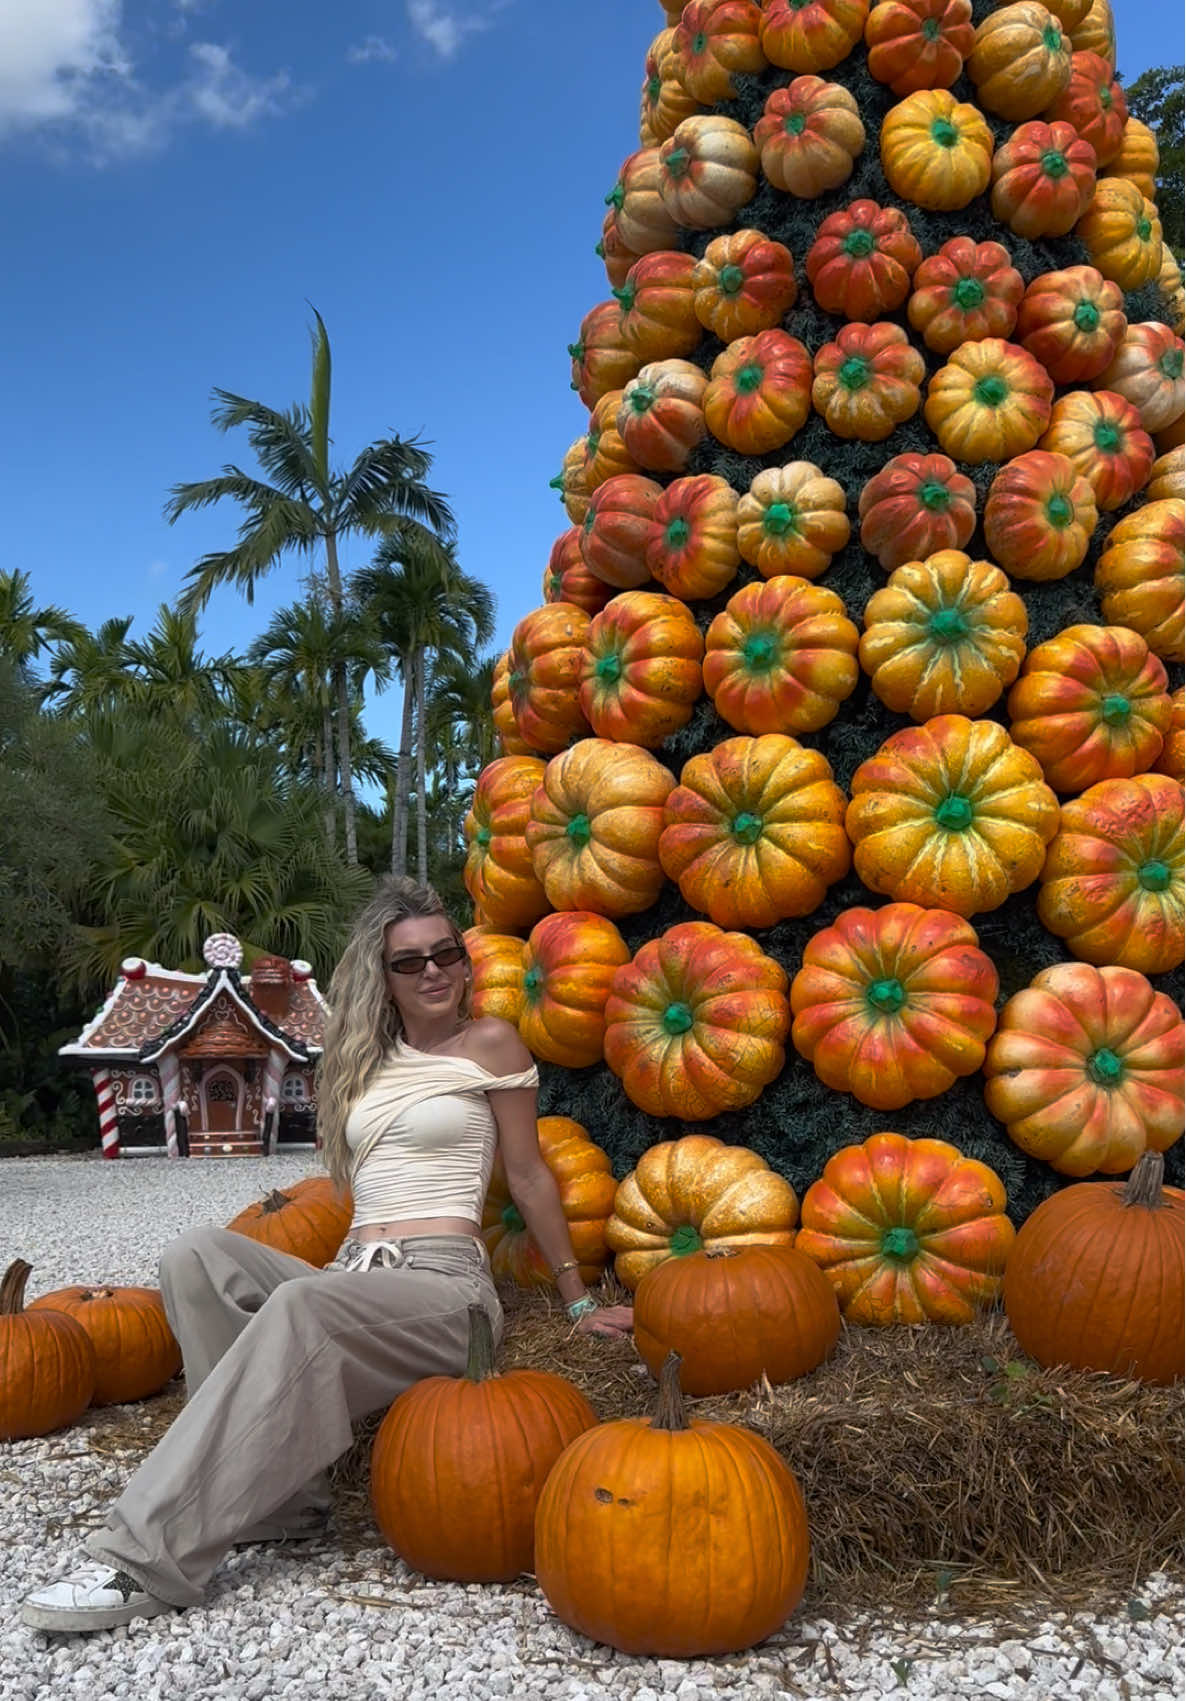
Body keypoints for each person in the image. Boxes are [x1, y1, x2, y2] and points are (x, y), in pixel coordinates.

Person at [22, 878, 633, 1634]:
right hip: (353, 1272)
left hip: (444, 1283)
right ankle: (282, 1502)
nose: (435, 970)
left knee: (301, 1306)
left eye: (447, 952)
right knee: (195, 1256)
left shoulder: (492, 1043)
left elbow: (532, 1173)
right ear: (385, 977)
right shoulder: (361, 1065)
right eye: (411, 962)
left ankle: (145, 1556)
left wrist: (576, 1298)